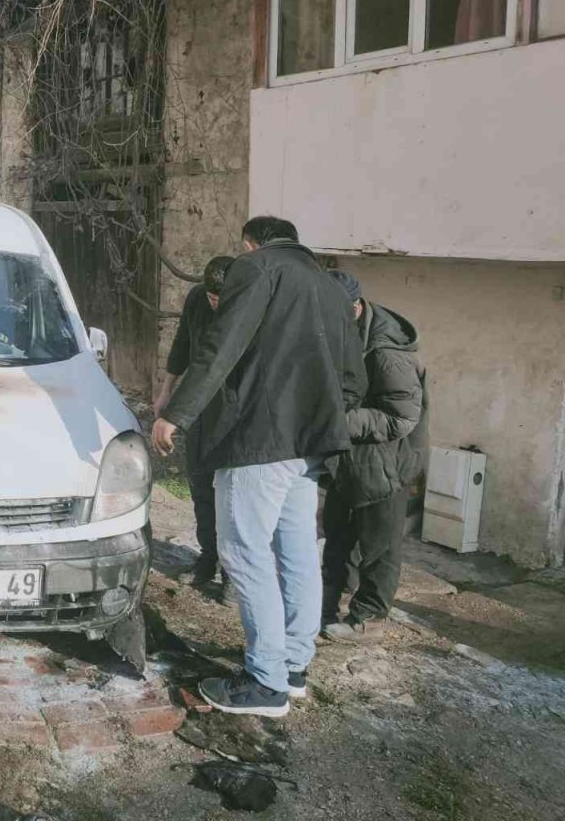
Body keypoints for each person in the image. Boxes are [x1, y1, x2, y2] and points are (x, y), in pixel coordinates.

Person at [152, 216, 366, 718]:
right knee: (296, 554)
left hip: (257, 444)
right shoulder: (333, 287)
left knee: (244, 553)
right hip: (310, 445)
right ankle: (292, 668)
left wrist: (175, 413)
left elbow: (220, 347)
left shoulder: (256, 269)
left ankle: (265, 682)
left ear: (250, 243)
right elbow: (352, 380)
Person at [322, 270, 426, 644]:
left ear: (353, 307)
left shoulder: (387, 353)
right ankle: (326, 606)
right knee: (337, 536)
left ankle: (369, 619)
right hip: (349, 461)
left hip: (386, 465)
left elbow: (402, 417)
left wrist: (337, 421)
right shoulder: (343, 331)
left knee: (379, 548)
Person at [153, 255, 235, 592]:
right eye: (212, 296)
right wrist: (165, 393)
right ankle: (208, 557)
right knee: (200, 485)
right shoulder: (197, 300)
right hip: (199, 407)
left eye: (220, 297)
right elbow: (182, 346)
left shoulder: (247, 307)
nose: (215, 302)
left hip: (235, 412)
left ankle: (233, 573)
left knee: (230, 494)